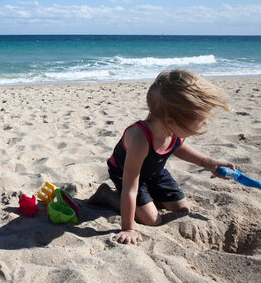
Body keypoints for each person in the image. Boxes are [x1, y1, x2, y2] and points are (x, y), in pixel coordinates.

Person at [88, 69, 235, 245]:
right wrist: (128, 228)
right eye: (200, 122)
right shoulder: (140, 139)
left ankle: (149, 199)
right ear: (171, 122)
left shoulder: (173, 129)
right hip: (127, 174)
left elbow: (178, 147)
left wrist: (209, 163)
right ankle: (107, 195)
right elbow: (130, 187)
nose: (204, 124)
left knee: (182, 209)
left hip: (155, 172)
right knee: (151, 219)